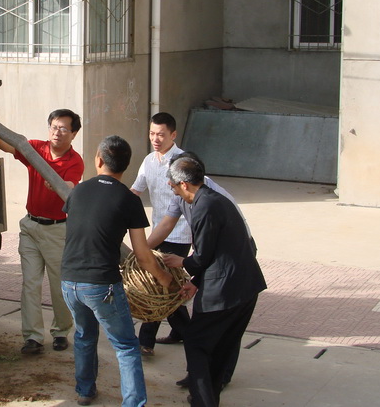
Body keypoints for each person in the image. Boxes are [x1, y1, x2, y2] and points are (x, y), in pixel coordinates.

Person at [61, 135, 174, 407]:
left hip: (69, 281)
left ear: (98, 160)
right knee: (125, 346)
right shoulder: (128, 199)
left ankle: (85, 391)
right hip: (102, 285)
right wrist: (165, 279)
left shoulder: (78, 191)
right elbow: (143, 255)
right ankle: (133, 403)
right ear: (126, 166)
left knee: (84, 336)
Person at [146, 151, 255, 390]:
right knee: (209, 338)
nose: (170, 185)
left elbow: (207, 254)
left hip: (232, 269)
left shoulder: (208, 203)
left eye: (172, 181)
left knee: (207, 337)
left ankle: (210, 384)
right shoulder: (195, 196)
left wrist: (184, 263)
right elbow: (167, 224)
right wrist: (143, 252)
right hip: (227, 269)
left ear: (184, 181)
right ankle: (204, 381)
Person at [0, 109, 84, 355]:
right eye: (54, 127)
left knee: (58, 286)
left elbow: (70, 186)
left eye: (64, 128)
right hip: (30, 228)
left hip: (57, 231)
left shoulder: (75, 161)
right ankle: (32, 337)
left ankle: (61, 331)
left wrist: (57, 184)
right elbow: (9, 146)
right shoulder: (35, 149)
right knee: (30, 284)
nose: (57, 132)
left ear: (74, 133)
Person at [130, 112, 191, 353]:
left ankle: (146, 342)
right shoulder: (148, 161)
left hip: (179, 233)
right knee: (164, 284)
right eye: (152, 133)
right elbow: (136, 191)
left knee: (160, 285)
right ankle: (182, 333)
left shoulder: (183, 163)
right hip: (157, 232)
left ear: (173, 135)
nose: (155, 139)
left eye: (161, 135)